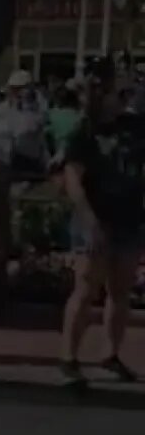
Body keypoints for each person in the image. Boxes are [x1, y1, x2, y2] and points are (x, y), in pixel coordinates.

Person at [58, 63, 143, 386]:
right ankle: (69, 356)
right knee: (86, 288)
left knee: (120, 291)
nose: (123, 98)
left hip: (129, 217)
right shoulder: (84, 131)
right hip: (95, 218)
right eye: (117, 92)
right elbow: (73, 179)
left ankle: (111, 354)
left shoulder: (135, 126)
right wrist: (89, 220)